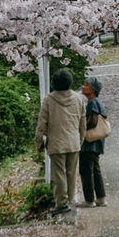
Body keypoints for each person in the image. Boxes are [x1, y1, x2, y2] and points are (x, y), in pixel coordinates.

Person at [35, 67, 86, 215]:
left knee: (59, 174)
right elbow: (82, 123)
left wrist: (39, 142)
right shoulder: (78, 99)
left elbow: (42, 124)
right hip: (74, 142)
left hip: (56, 143)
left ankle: (62, 203)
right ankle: (70, 200)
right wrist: (80, 139)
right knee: (71, 173)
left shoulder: (49, 100)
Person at [79, 75, 108, 207]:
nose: (83, 87)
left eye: (86, 85)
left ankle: (89, 199)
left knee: (86, 170)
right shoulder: (98, 101)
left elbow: (92, 121)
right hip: (97, 142)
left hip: (90, 142)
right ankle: (101, 197)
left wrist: (80, 127)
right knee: (95, 169)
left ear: (92, 89)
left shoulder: (92, 103)